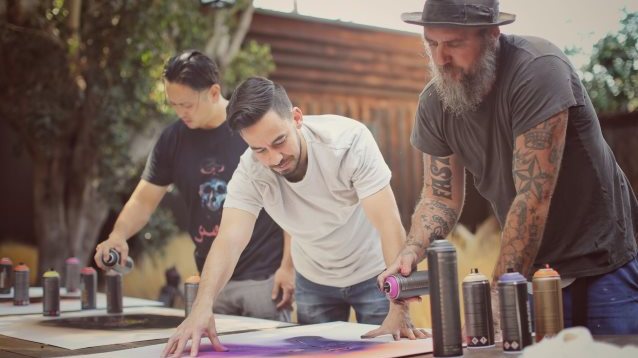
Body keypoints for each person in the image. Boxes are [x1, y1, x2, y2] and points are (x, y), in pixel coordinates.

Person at [381, 0, 638, 335]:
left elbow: (532, 196)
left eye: (455, 44)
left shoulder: (538, 69)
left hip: (602, 260)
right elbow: (439, 199)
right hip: (530, 271)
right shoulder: (434, 103)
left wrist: (499, 291)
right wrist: (412, 250)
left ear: (492, 35)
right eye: (432, 44)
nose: (441, 59)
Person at [161, 77, 427, 357]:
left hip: (374, 276)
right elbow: (228, 240)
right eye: (259, 149)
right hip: (313, 281)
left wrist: (399, 305)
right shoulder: (251, 172)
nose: (274, 158)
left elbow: (389, 223)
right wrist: (202, 307)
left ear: (296, 117)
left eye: (279, 141)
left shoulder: (348, 142)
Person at [94, 50, 294, 323]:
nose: (180, 112)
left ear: (213, 92)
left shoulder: (249, 130)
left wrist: (288, 266)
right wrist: (118, 235)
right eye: (173, 104)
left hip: (264, 281)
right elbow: (143, 201)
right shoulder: (172, 139)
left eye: (187, 104)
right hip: (212, 284)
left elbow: (291, 200)